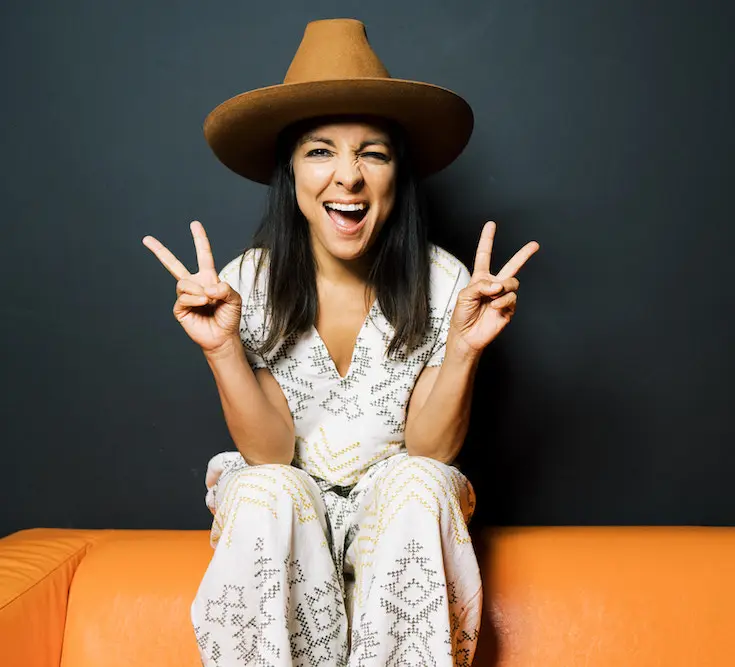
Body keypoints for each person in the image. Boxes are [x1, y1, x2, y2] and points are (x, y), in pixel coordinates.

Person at [141, 19, 538, 667]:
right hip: (287, 510)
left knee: (420, 481)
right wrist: (222, 350)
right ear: (291, 171)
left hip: (393, 506)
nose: (347, 177)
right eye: (320, 151)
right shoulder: (246, 283)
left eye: (373, 153)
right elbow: (269, 451)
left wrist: (465, 347)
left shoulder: (444, 280)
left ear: (396, 175)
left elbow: (429, 450)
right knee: (269, 488)